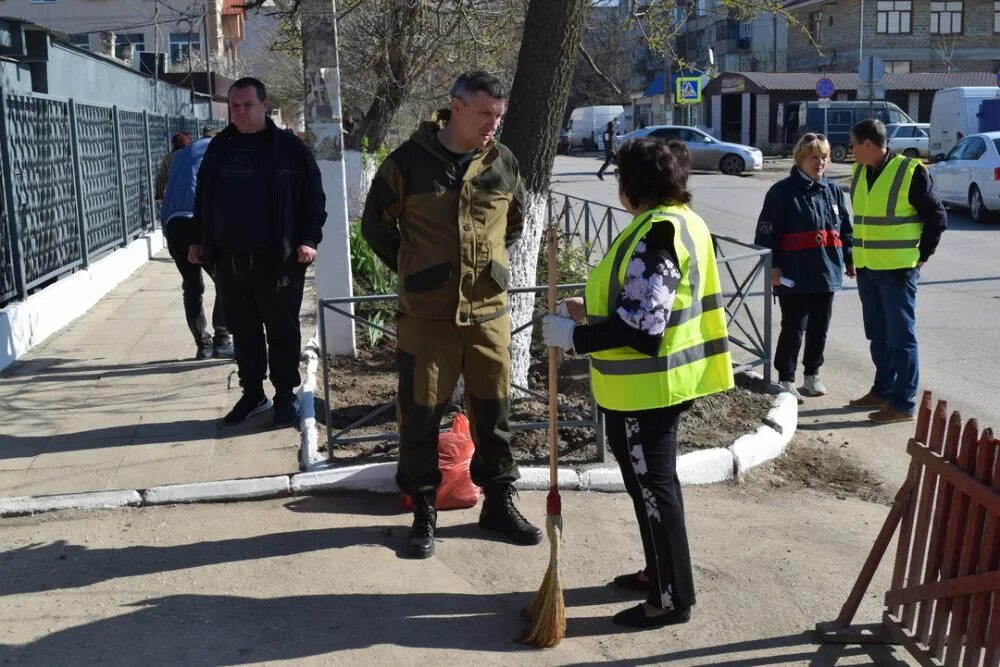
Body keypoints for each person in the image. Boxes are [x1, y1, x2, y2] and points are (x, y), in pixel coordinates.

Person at [543, 137, 734, 629]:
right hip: (654, 386)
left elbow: (642, 329)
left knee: (654, 490)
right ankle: (659, 574)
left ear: (632, 186)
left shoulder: (658, 234)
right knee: (649, 488)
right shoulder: (677, 222)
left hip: (647, 390)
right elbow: (645, 305)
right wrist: (589, 313)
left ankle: (671, 598)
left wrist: (576, 337)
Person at [361, 70, 541, 559]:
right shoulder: (407, 164)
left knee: (495, 415)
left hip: (488, 314)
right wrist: (417, 270)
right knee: (420, 416)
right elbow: (375, 227)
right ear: (455, 107)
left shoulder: (503, 163)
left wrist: (489, 268)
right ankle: (424, 509)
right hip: (427, 318)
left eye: (498, 116)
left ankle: (499, 503)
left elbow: (516, 222)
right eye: (485, 113)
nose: (492, 125)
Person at [189, 77, 326, 428]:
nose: (240, 112)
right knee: (244, 333)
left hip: (276, 261)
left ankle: (284, 397)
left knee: (281, 332)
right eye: (235, 106)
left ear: (264, 106)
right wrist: (198, 239)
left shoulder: (290, 150)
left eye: (247, 105)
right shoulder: (220, 147)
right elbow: (203, 197)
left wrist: (309, 239)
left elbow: (314, 199)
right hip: (229, 260)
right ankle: (253, 394)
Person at [847, 119, 946, 423]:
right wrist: (853, 257)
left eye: (853, 145)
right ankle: (883, 389)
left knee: (901, 337)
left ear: (867, 144)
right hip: (867, 268)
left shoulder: (910, 171)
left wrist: (922, 256)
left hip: (898, 271)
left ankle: (903, 403)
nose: (850, 150)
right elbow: (862, 221)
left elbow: (937, 217)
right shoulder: (860, 170)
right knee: (878, 334)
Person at [754, 133, 854, 404]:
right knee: (794, 328)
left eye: (824, 157)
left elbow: (844, 229)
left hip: (826, 273)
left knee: (820, 328)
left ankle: (812, 374)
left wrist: (849, 258)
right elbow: (765, 235)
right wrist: (773, 267)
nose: (820, 162)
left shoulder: (832, 191)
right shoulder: (781, 192)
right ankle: (786, 378)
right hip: (793, 276)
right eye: (814, 157)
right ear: (800, 159)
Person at [161, 128, 232, 360]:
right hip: (196, 224)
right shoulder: (217, 152)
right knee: (226, 280)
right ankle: (221, 339)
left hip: (173, 225)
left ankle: (203, 344)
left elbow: (167, 192)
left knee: (192, 287)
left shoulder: (181, 155)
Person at [155, 132, 190, 204]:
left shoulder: (168, 158)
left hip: (174, 192)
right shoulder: (190, 154)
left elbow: (162, 178)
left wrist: (159, 195)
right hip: (190, 189)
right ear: (185, 143)